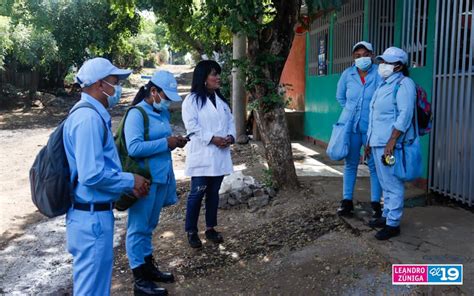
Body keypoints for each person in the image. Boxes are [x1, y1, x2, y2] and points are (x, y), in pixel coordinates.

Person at [63, 57, 150, 295]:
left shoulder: (91, 114)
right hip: (90, 217)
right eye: (115, 81)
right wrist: (130, 180)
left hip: (92, 214)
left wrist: (124, 185)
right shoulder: (88, 118)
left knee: (96, 287)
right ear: (100, 85)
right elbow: (91, 175)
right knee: (91, 290)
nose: (118, 87)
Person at [124, 70, 187, 295]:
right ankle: (139, 280)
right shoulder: (136, 114)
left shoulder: (161, 114)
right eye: (166, 96)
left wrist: (175, 141)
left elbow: (163, 141)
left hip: (161, 178)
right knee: (137, 228)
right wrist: (165, 142)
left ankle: (149, 268)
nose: (168, 101)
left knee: (149, 225)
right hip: (144, 180)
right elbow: (134, 148)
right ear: (153, 91)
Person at [182, 60, 236, 248]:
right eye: (214, 74)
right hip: (202, 156)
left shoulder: (220, 100)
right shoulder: (192, 100)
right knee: (197, 194)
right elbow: (192, 127)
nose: (218, 77)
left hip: (220, 155)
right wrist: (213, 139)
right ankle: (191, 231)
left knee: (213, 194)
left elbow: (231, 121)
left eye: (218, 74)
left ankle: (210, 228)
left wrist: (230, 136)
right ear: (203, 78)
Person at [366, 47, 417, 240]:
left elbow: (405, 114)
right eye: (382, 61)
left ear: (398, 66)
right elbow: (375, 116)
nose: (382, 65)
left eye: (386, 62)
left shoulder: (404, 84)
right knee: (384, 182)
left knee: (393, 183)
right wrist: (369, 142)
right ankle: (387, 215)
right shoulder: (384, 84)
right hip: (378, 142)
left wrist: (393, 139)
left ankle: (393, 223)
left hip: (391, 144)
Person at [335, 41, 383, 218]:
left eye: (365, 54)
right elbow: (340, 97)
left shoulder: (379, 73)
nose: (361, 58)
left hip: (373, 128)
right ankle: (347, 201)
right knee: (351, 163)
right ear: (353, 58)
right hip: (351, 127)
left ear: (372, 55)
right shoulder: (348, 74)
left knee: (374, 165)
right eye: (357, 56)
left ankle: (376, 203)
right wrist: (351, 110)